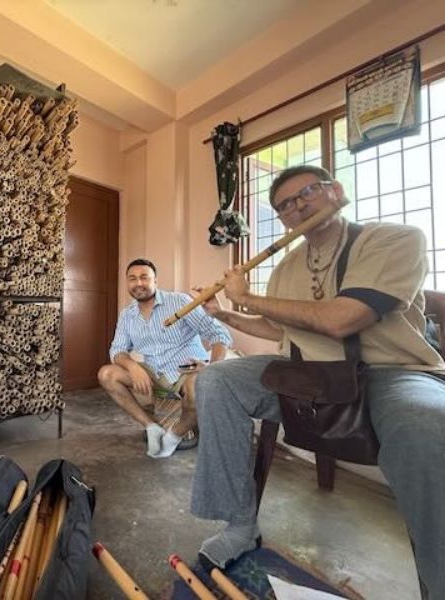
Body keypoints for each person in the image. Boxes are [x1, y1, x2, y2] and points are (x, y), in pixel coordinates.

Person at [190, 165, 445, 598]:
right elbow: (280, 328)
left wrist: (247, 296)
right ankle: (239, 525)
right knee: (217, 380)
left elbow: (343, 319)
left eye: (306, 192)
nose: (297, 207)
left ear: (335, 191)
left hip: (390, 371)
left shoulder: (393, 239)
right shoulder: (287, 266)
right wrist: (226, 314)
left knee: (426, 423)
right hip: (309, 372)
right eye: (285, 205)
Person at [98, 259, 233, 458]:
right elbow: (117, 350)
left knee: (197, 385)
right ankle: (151, 427)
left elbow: (219, 335)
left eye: (144, 277)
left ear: (155, 281)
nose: (138, 283)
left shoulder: (179, 302)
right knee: (107, 374)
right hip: (154, 373)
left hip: (186, 371)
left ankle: (175, 436)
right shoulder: (127, 315)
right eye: (132, 279)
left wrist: (212, 368)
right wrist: (133, 367)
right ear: (127, 283)